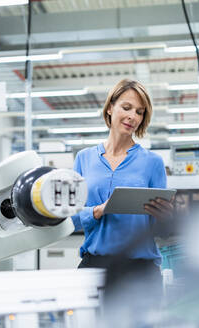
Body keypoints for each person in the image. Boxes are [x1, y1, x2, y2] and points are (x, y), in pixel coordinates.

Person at [70, 79, 174, 272]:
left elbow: (162, 230)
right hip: (95, 264)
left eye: (139, 112)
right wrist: (96, 211)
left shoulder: (153, 163)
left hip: (140, 268)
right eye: (126, 107)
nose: (132, 116)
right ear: (110, 108)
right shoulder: (84, 158)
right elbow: (70, 219)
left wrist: (166, 218)